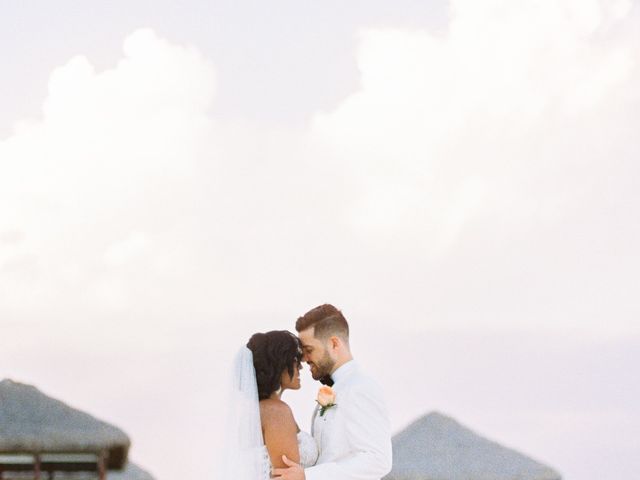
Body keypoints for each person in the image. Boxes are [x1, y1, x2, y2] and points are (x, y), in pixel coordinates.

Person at [273, 304, 392, 480]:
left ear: (334, 343)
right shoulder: (336, 388)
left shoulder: (361, 388)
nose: (304, 359)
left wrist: (308, 476)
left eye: (309, 350)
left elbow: (378, 460)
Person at [223, 330, 318, 480]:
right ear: (278, 364)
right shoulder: (276, 412)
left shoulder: (258, 411)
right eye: (294, 359)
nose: (300, 367)